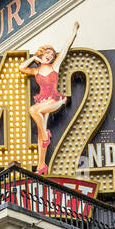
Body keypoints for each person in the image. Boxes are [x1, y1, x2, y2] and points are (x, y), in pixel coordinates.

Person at [19, 21, 80, 174]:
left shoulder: (55, 66)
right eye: (48, 54)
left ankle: (46, 136)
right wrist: (34, 59)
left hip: (54, 100)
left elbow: (65, 48)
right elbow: (21, 68)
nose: (50, 57)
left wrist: (74, 31)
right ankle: (41, 166)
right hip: (43, 101)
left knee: (33, 110)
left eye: (52, 55)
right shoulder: (36, 71)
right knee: (41, 136)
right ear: (42, 54)